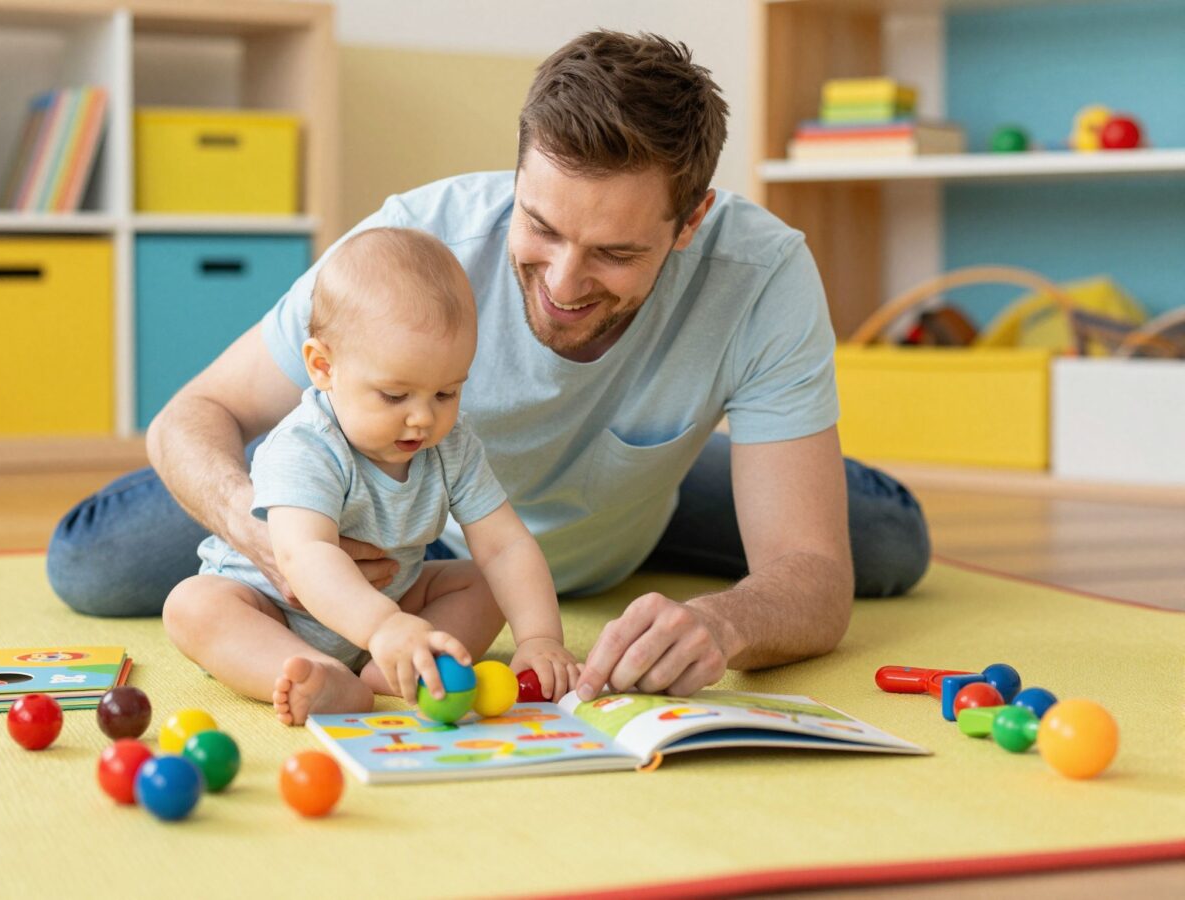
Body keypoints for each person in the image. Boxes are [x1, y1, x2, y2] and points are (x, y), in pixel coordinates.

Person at [48, 30, 930, 702]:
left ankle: (671, 473)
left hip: (626, 492)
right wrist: (267, 532)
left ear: (690, 222)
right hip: (379, 500)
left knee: (880, 548)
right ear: (518, 177)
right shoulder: (414, 245)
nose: (564, 282)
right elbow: (193, 413)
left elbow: (810, 573)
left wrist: (722, 624)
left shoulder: (761, 273)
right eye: (540, 229)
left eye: (615, 253)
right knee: (95, 567)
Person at [163, 227, 578, 724]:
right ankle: (315, 674)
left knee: (485, 581)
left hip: (393, 606)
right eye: (395, 396)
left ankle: (398, 668)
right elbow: (305, 554)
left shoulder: (451, 446)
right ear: (323, 367)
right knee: (193, 605)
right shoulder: (307, 445)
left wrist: (540, 639)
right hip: (276, 609)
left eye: (446, 393)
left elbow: (505, 546)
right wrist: (383, 626)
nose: (423, 418)